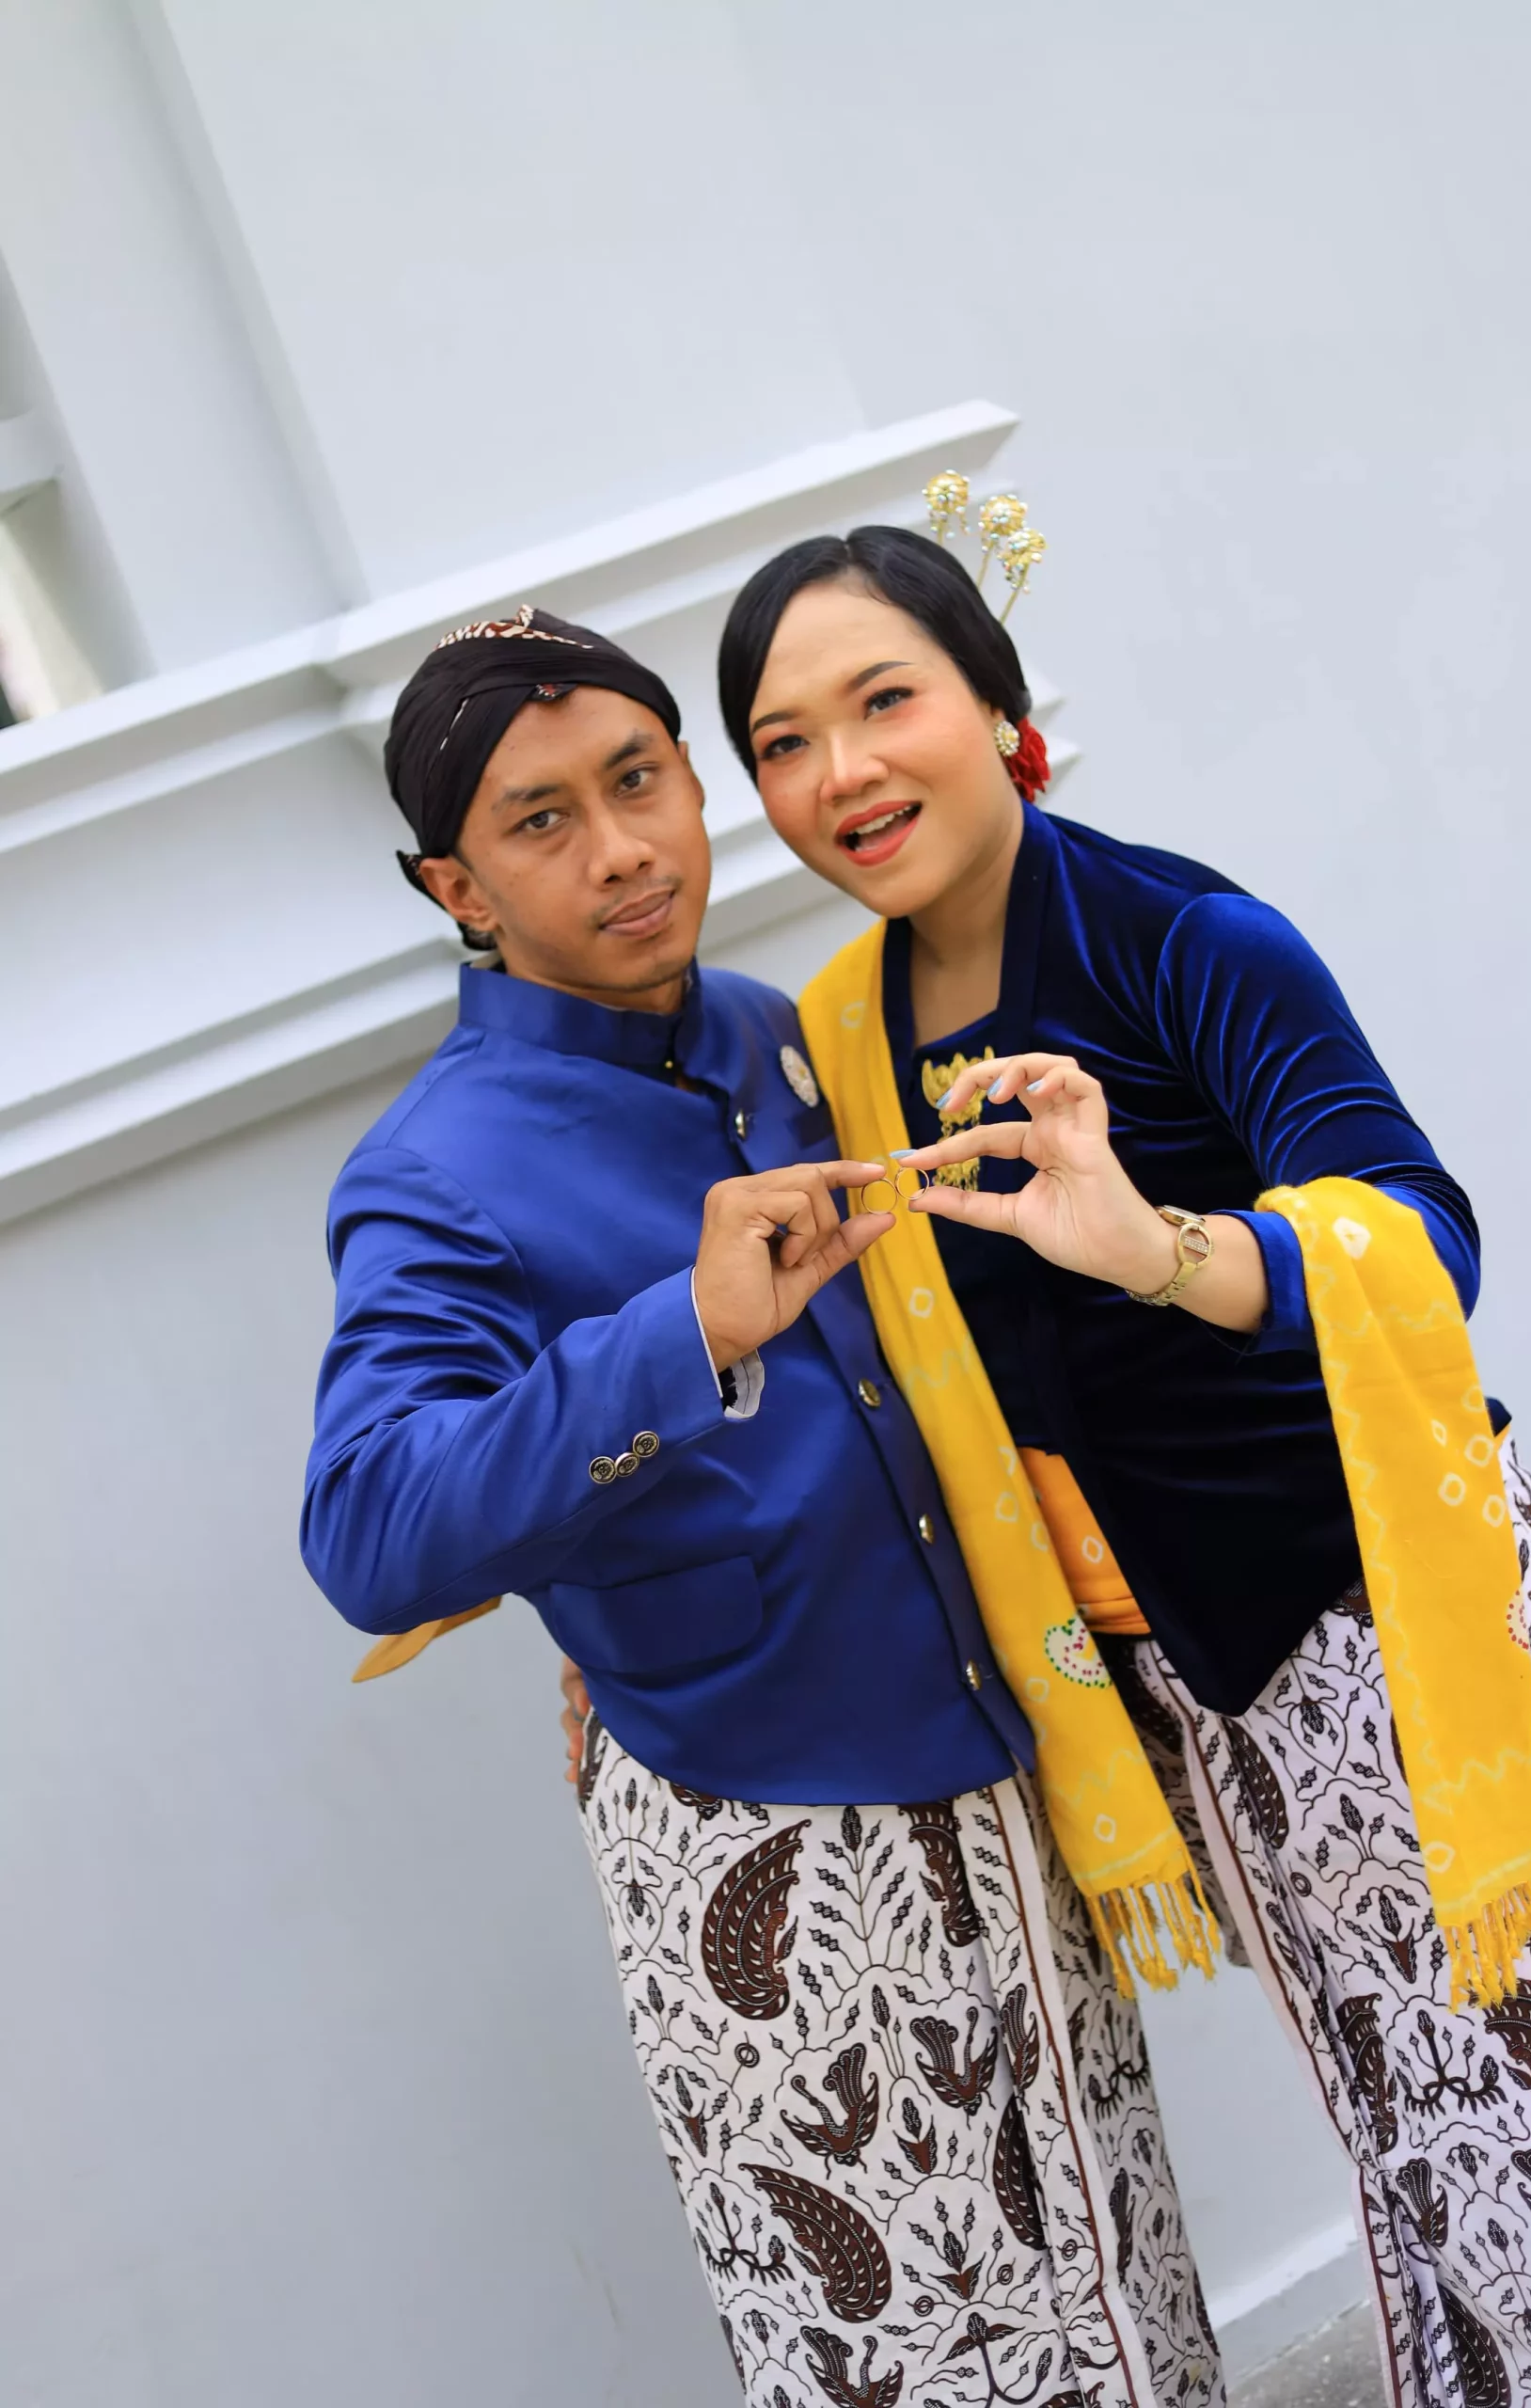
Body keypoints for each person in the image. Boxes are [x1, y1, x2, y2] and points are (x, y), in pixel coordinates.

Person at [695, 521, 1531, 2408]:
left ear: (996, 705)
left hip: (1376, 1620)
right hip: (1180, 1673)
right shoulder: (846, 1036)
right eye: (783, 741)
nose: (841, 770)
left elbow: (1423, 1236)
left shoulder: (1181, 939)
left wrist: (1160, 1246)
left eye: (884, 700)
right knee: (1406, 2142)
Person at [301, 605, 1225, 2408]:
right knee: (914, 2356)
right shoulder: (433, 1175)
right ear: (454, 888)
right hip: (770, 1838)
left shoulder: (774, 1038)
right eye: (542, 820)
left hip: (999, 1777)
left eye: (638, 780)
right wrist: (686, 1332)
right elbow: (371, 1531)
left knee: (1120, 2306)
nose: (621, 849)